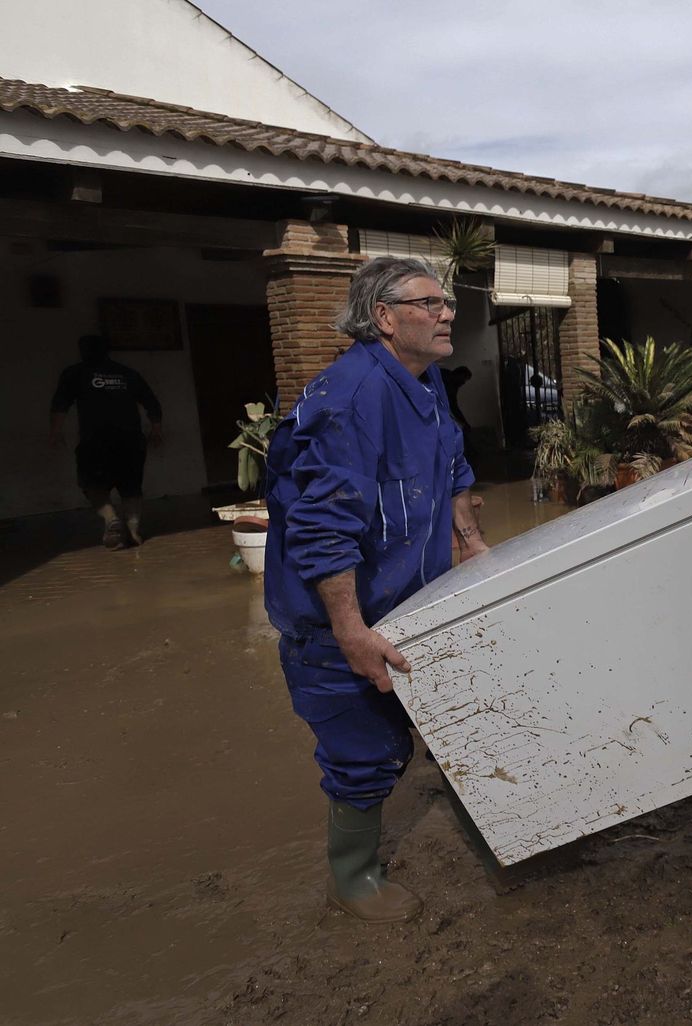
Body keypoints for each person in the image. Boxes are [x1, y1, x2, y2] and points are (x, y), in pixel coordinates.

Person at [263, 256, 489, 924]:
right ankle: (354, 878)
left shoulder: (426, 378)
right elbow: (324, 526)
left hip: (412, 601)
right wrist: (350, 631)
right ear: (384, 317)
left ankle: (497, 825)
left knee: (456, 719)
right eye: (430, 303)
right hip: (337, 624)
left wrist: (472, 544)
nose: (447, 314)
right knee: (364, 752)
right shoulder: (352, 397)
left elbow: (452, 465)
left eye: (447, 302)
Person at [48, 334, 164, 548]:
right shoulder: (127, 374)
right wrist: (156, 430)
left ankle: (112, 519)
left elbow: (60, 404)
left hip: (95, 441)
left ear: (82, 351)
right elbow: (152, 403)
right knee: (131, 487)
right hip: (131, 441)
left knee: (92, 485)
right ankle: (133, 530)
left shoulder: (75, 373)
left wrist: (55, 432)